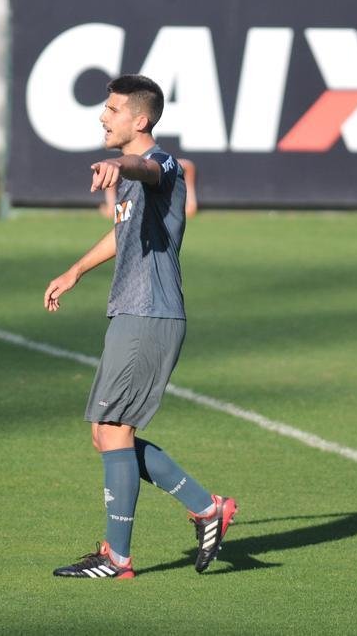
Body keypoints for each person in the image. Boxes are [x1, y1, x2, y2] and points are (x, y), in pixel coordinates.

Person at [43, 74, 236, 580]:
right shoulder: (130, 178)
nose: (102, 117)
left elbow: (146, 167)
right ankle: (206, 507)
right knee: (104, 436)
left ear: (139, 120)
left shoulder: (161, 165)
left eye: (111, 109)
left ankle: (118, 558)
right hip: (132, 312)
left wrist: (117, 163)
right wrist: (74, 271)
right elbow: (122, 230)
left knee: (114, 431)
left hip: (151, 314)